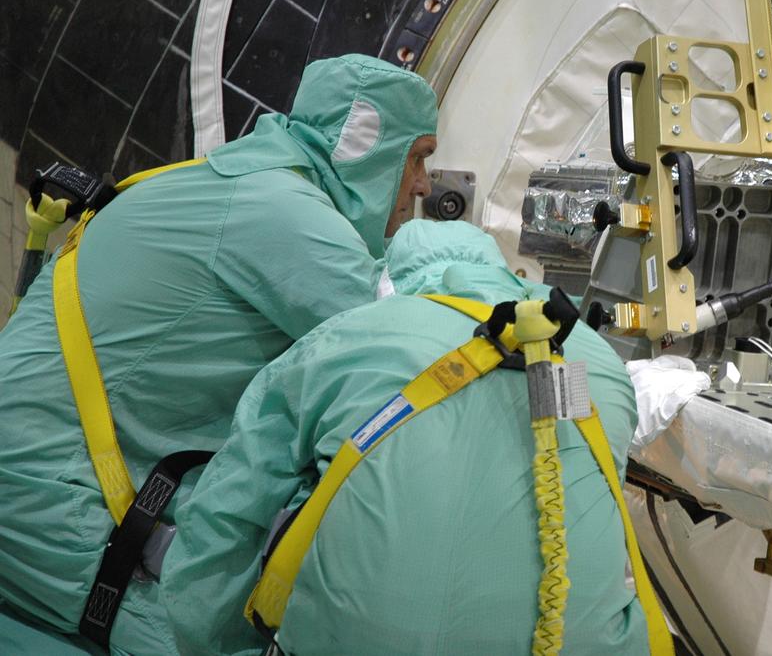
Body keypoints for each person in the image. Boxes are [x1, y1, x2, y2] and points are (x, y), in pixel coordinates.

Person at [0, 54, 439, 654]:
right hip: (54, 506)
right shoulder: (283, 214)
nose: (424, 185)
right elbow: (424, 348)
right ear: (362, 146)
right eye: (418, 157)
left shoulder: (235, 181)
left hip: (31, 481)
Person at [162, 220, 663, 655]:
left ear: (391, 286)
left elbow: (224, 518)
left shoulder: (347, 337)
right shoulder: (591, 362)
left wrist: (215, 644)